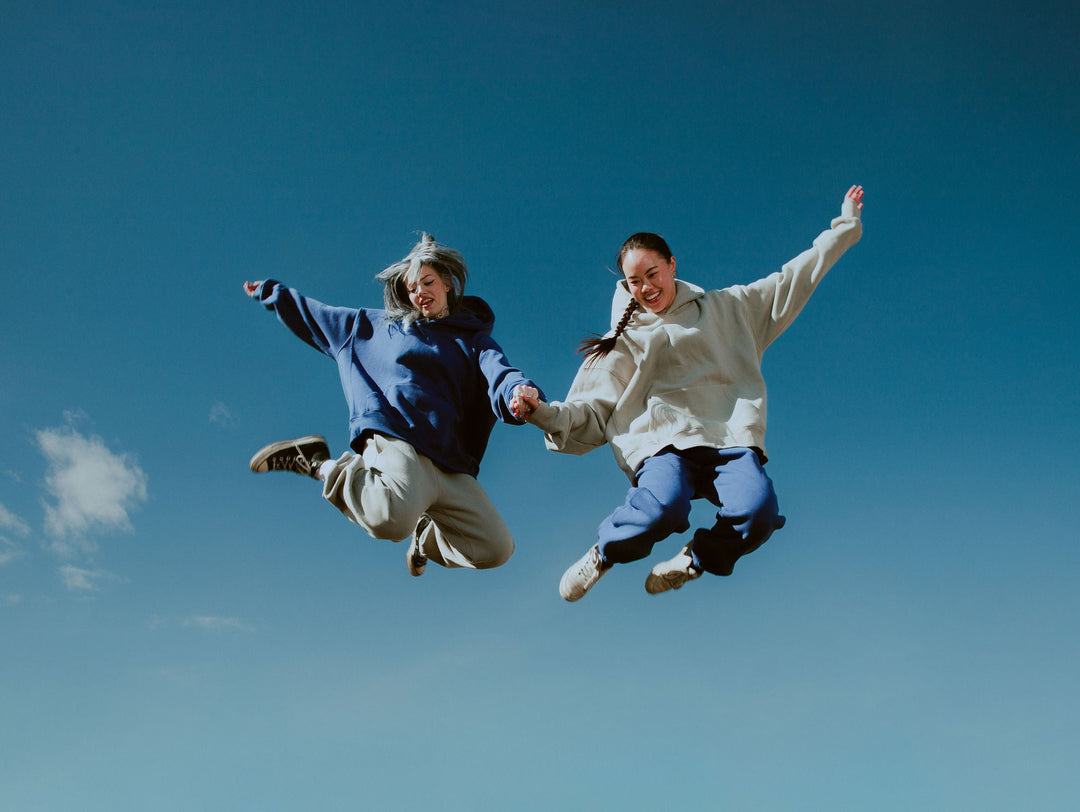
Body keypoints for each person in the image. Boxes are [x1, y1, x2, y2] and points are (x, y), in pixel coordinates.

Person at [510, 186, 864, 601]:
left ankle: (695, 558)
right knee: (664, 506)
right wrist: (541, 413)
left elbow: (796, 277)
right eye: (634, 282)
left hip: (726, 441)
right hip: (662, 446)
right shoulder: (622, 341)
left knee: (759, 512)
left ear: (672, 265)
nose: (646, 288)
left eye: (653, 275)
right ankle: (604, 552)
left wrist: (846, 227)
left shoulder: (730, 308)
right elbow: (590, 409)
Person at [245, 233, 543, 576]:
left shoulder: (473, 340)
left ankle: (424, 539)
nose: (420, 293)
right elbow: (317, 316)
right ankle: (316, 462)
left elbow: (500, 373)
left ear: (447, 283)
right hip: (398, 437)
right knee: (389, 518)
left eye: (427, 282)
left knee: (496, 548)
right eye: (411, 289)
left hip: (450, 462)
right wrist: (274, 293)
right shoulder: (373, 328)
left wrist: (519, 392)